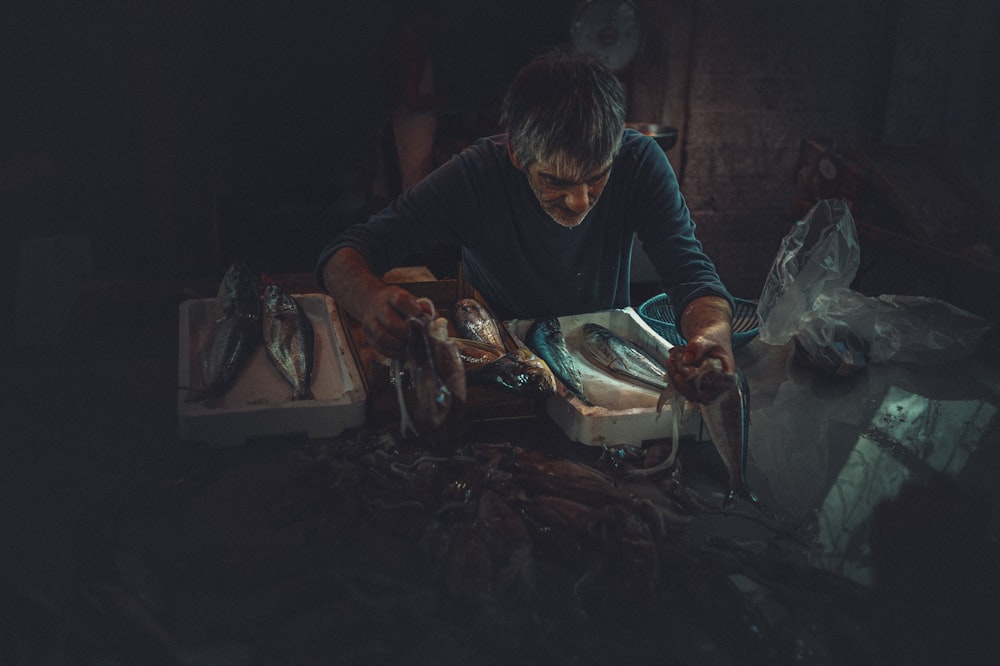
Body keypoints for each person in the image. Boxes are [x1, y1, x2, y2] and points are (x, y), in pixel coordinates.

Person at [317, 49, 735, 404]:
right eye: (556, 181)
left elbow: (692, 276)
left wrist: (711, 338)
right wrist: (371, 300)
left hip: (605, 369)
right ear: (516, 152)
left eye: (597, 177)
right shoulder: (476, 174)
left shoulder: (641, 162)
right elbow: (344, 253)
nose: (580, 202)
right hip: (501, 378)